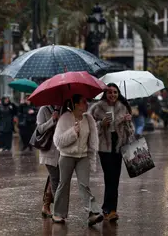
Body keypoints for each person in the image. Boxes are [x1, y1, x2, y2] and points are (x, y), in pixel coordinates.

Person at [52, 94, 103, 226]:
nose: (86, 104)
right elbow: (58, 141)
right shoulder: (65, 118)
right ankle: (58, 214)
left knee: (84, 184)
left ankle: (93, 213)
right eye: (83, 102)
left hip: (83, 156)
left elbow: (92, 141)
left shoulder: (88, 118)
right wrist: (73, 132)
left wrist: (92, 157)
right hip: (67, 156)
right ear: (75, 104)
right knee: (63, 184)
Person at [90, 83, 134, 222]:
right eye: (109, 92)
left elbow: (131, 131)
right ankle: (108, 209)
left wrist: (127, 122)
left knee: (115, 178)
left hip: (119, 146)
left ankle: (111, 209)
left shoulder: (123, 107)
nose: (112, 95)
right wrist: (101, 124)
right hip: (104, 147)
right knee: (109, 177)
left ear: (118, 93)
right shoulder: (97, 108)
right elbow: (90, 128)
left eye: (115, 92)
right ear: (105, 94)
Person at [36, 105, 61, 217]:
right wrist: (53, 119)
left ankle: (46, 206)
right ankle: (58, 210)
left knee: (55, 177)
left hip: (62, 150)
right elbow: (40, 129)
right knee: (55, 178)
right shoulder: (44, 109)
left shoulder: (65, 108)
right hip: (49, 150)